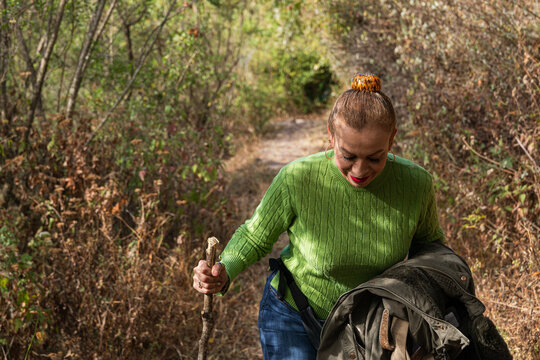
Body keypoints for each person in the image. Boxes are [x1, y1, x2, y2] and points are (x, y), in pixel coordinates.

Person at [192, 74, 445, 359]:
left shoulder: (415, 184)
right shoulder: (298, 178)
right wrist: (224, 270)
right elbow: (254, 236)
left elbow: (432, 251)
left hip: (371, 323)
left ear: (392, 139)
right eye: (348, 156)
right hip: (293, 314)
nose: (360, 170)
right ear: (330, 136)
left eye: (375, 158)